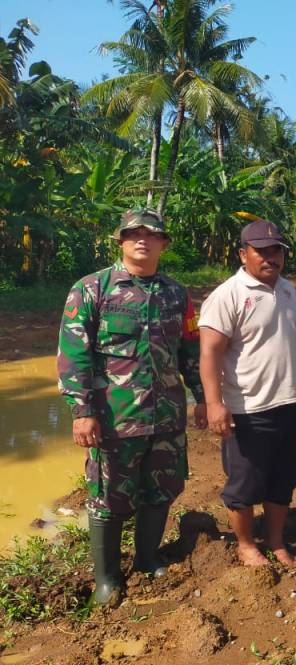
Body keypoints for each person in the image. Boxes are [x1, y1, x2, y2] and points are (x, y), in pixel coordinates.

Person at [58, 208, 207, 605]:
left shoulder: (178, 295)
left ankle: (146, 558)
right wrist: (82, 411)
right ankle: (106, 579)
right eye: (133, 233)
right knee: (108, 496)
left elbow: (189, 351)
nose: (142, 238)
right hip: (114, 419)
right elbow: (74, 356)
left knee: (160, 490)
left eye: (151, 233)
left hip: (166, 417)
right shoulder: (92, 290)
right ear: (120, 241)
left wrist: (203, 398)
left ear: (163, 243)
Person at [199, 219, 296, 567]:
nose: (271, 257)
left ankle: (276, 541)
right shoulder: (227, 296)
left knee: (283, 477)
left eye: (276, 251)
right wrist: (213, 403)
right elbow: (210, 351)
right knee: (244, 484)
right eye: (261, 251)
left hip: (287, 402)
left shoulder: (288, 289)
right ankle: (245, 544)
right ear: (243, 254)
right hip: (247, 408)